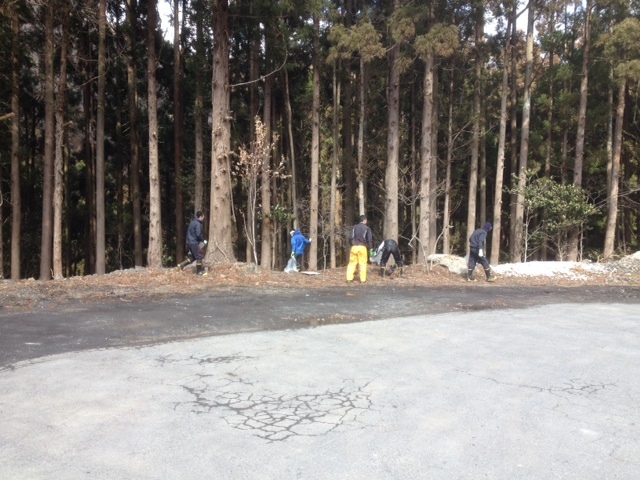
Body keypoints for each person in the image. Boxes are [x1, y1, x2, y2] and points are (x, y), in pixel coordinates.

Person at [346, 215, 373, 283]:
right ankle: (363, 280)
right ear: (364, 221)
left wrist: (351, 244)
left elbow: (350, 237)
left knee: (352, 263)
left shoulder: (354, 227)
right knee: (362, 264)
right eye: (366, 220)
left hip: (354, 247)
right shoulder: (367, 228)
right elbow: (369, 239)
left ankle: (349, 278)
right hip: (362, 247)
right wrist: (371, 248)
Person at [178, 211, 207, 275]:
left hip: (189, 242)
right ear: (200, 216)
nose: (203, 218)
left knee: (194, 257)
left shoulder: (192, 222)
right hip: (194, 243)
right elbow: (198, 234)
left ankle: (181, 265)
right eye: (203, 217)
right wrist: (203, 240)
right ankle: (199, 272)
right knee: (199, 256)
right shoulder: (197, 224)